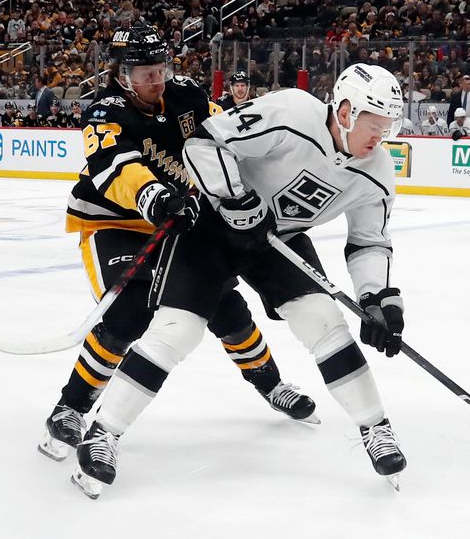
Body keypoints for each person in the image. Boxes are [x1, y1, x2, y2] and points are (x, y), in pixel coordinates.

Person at [73, 63, 409, 498]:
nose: (380, 138)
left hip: (277, 239)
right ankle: (103, 432)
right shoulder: (292, 111)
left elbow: (368, 243)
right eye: (375, 126)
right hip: (212, 228)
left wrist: (378, 298)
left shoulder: (377, 172)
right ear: (345, 111)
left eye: (388, 129)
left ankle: (375, 429)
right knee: (178, 330)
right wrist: (236, 197)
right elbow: (205, 141)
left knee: (325, 321)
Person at [42, 25, 318, 470]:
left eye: (161, 68)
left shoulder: (188, 95)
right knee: (128, 312)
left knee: (225, 306)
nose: (157, 79)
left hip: (179, 221)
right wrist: (156, 196)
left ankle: (271, 385)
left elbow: (227, 138)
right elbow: (115, 168)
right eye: (147, 72)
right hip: (116, 223)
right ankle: (70, 409)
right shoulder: (103, 113)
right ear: (122, 73)